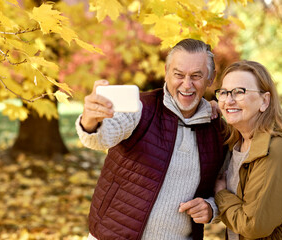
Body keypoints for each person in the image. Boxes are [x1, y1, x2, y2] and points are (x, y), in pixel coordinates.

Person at [76, 38, 227, 240]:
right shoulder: (141, 108)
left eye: (196, 76)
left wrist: (211, 209)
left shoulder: (219, 129)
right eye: (178, 75)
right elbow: (100, 137)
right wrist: (90, 120)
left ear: (211, 78)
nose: (187, 84)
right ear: (166, 72)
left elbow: (227, 188)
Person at [214, 60, 282, 239]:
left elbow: (253, 226)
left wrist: (221, 195)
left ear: (264, 101)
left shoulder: (276, 150)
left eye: (239, 92)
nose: (229, 100)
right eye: (224, 92)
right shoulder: (235, 144)